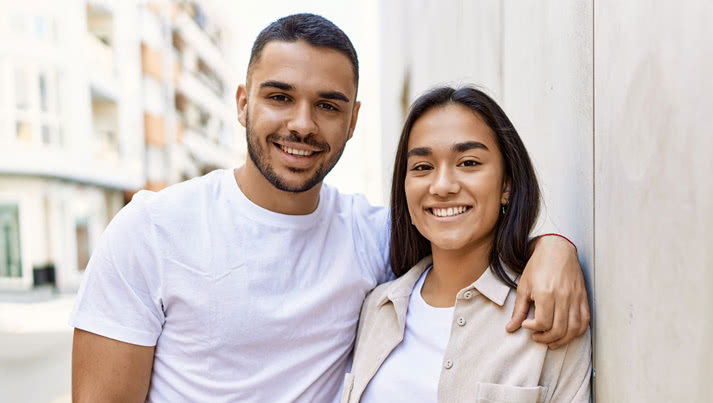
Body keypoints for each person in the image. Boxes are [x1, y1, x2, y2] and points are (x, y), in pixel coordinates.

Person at [70, 14, 589, 403]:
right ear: (242, 102)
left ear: (354, 118)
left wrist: (554, 247)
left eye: (327, 105)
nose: (302, 124)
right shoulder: (152, 230)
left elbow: (462, 231)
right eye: (279, 96)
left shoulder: (372, 238)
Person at [343, 86, 592, 402]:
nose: (443, 185)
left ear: (507, 184)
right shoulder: (376, 308)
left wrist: (557, 246)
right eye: (422, 167)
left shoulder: (548, 308)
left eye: (469, 162)